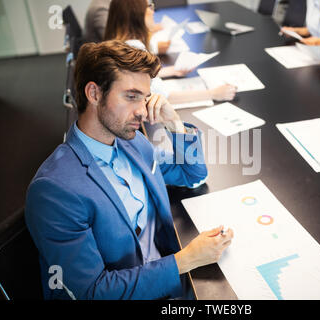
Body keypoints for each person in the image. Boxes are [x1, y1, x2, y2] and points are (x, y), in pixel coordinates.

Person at [25, 40, 234, 300]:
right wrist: (185, 260)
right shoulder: (55, 190)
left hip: (167, 276)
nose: (142, 111)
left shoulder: (132, 141)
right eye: (131, 96)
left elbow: (193, 175)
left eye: (145, 98)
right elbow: (92, 292)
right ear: (94, 94)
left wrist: (175, 123)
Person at [104, 0, 237, 105]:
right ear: (136, 14)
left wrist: (172, 71)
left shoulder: (119, 44)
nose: (153, 10)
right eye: (149, 6)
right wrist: (214, 93)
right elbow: (164, 96)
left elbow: (136, 77)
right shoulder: (134, 49)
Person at [84, 0, 166, 50]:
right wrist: (156, 48)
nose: (153, 12)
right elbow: (111, 37)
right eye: (148, 7)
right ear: (137, 13)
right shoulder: (101, 8)